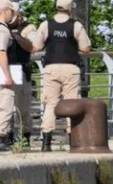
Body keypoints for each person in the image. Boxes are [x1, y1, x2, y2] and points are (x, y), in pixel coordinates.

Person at [31, 0, 91, 152]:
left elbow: (36, 46)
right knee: (72, 103)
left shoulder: (46, 24)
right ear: (70, 8)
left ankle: (46, 142)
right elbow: (85, 48)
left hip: (51, 67)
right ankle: (73, 140)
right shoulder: (76, 25)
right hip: (71, 68)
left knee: (50, 104)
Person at [8, 2, 35, 147]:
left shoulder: (27, 27)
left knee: (22, 107)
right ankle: (8, 136)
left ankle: (25, 138)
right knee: (7, 107)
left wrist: (17, 36)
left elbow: (32, 46)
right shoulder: (2, 27)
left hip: (20, 69)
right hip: (5, 68)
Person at [0, 0, 16, 151]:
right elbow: (2, 52)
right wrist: (7, 76)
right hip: (1, 73)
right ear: (4, 11)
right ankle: (1, 137)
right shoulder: (3, 30)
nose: (13, 14)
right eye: (11, 11)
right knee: (6, 103)